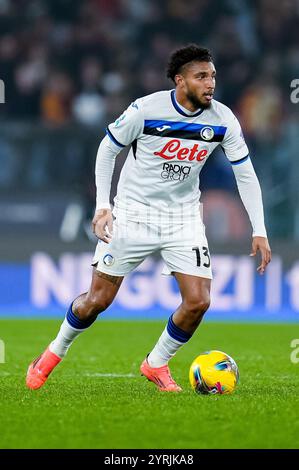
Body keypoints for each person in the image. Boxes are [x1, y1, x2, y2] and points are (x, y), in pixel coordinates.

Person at [26, 44, 271, 392]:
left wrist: (259, 229)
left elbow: (245, 174)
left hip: (183, 218)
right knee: (96, 301)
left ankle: (156, 363)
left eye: (213, 76)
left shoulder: (223, 119)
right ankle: (53, 352)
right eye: (201, 76)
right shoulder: (145, 109)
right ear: (180, 80)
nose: (210, 83)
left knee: (199, 301)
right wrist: (103, 205)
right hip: (133, 215)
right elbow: (108, 148)